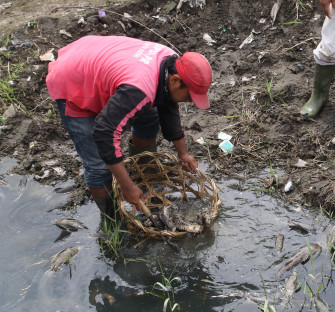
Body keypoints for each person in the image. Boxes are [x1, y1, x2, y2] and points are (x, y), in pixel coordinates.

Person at [46, 35, 212, 225]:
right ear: (175, 80)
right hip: (72, 78)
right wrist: (127, 186)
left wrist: (183, 153)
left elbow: (168, 105)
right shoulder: (139, 89)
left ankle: (144, 176)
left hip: (95, 57)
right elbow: (104, 133)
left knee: (150, 117)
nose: (191, 101)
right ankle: (112, 220)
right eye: (190, 96)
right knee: (98, 166)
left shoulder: (172, 61)